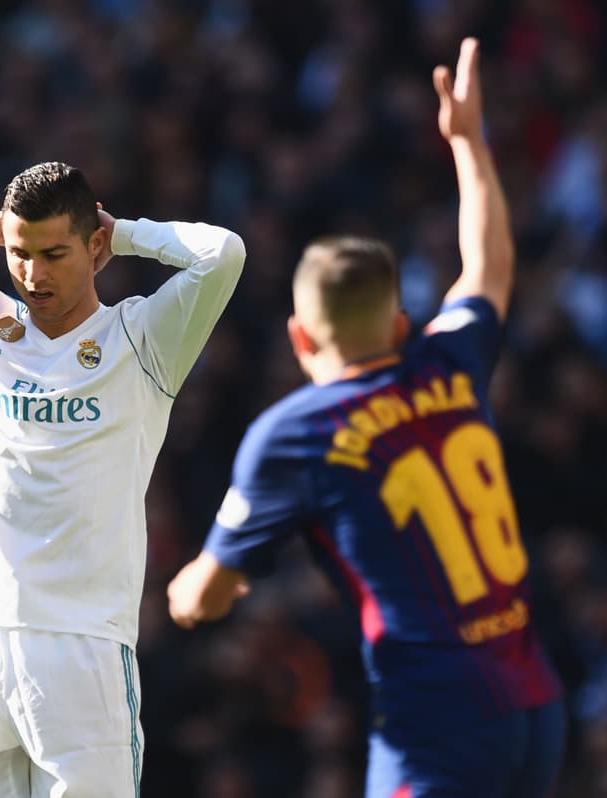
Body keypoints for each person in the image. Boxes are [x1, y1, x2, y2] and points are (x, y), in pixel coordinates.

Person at [167, 39, 565, 798]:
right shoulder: (448, 362)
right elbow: (488, 268)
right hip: (534, 702)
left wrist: (184, 593)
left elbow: (204, 597)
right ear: (399, 322)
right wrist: (469, 144)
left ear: (299, 337)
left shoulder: (294, 434)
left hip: (436, 730)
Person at [0, 161, 246, 796]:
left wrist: (130, 233)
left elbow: (223, 254)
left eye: (54, 252)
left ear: (93, 246)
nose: (33, 274)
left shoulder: (142, 340)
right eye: (21, 253)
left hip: (80, 648)